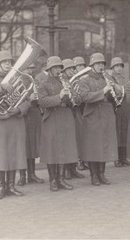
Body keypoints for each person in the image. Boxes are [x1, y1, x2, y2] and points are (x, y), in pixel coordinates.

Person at [0, 50, 30, 200]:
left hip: (14, 121)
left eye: (10, 61)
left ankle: (11, 185)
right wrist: (1, 87)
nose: (8, 64)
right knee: (0, 156)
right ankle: (2, 186)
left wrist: (19, 109)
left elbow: (27, 100)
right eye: (4, 62)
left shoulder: (19, 78)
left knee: (13, 154)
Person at [79, 53, 122, 186]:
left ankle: (102, 174)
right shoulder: (84, 80)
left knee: (104, 145)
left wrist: (115, 87)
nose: (100, 66)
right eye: (98, 64)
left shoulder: (107, 77)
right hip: (92, 116)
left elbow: (119, 93)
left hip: (106, 114)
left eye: (102, 64)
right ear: (92, 65)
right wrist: (103, 91)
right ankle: (94, 176)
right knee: (93, 147)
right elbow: (85, 97)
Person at [38, 56, 79, 191]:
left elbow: (77, 99)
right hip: (51, 118)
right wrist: (59, 96)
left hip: (65, 117)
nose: (58, 70)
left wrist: (71, 95)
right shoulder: (43, 84)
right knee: (51, 150)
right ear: (49, 69)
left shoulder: (65, 81)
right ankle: (53, 181)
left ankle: (61, 179)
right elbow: (42, 102)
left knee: (63, 149)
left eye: (59, 68)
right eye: (55, 68)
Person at [17, 64, 45, 186]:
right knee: (23, 147)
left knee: (32, 146)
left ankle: (32, 175)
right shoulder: (17, 82)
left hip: (34, 115)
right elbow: (16, 100)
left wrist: (38, 98)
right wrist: (29, 99)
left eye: (32, 68)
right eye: (28, 68)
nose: (30, 70)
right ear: (22, 69)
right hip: (23, 117)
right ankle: (22, 176)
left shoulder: (34, 81)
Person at [60, 58, 85, 180]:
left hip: (75, 113)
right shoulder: (61, 81)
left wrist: (76, 97)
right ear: (63, 70)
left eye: (72, 68)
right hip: (65, 114)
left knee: (76, 141)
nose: (71, 71)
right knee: (67, 143)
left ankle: (73, 168)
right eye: (69, 69)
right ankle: (66, 171)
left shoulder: (73, 82)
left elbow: (80, 98)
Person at [110, 57, 130, 167]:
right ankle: (117, 158)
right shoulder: (111, 79)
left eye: (120, 66)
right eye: (116, 66)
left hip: (125, 107)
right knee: (117, 133)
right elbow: (117, 92)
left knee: (124, 132)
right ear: (112, 68)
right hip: (116, 108)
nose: (119, 68)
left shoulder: (124, 78)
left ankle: (123, 157)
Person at [72, 56, 89, 171]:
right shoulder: (73, 81)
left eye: (83, 65)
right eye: (78, 66)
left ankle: (85, 159)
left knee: (85, 137)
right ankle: (78, 161)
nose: (81, 68)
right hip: (76, 110)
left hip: (85, 110)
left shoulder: (85, 80)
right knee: (77, 137)